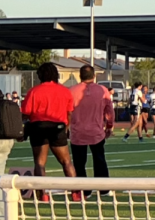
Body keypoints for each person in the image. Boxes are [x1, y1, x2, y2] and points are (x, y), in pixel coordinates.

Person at [20, 63, 79, 201]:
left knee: (40, 163)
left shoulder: (34, 91)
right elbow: (69, 113)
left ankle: (43, 194)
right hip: (58, 127)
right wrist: (66, 127)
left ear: (40, 75)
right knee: (66, 161)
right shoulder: (64, 91)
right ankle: (75, 193)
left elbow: (26, 112)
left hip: (38, 127)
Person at [68, 65, 115, 197]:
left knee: (79, 163)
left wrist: (67, 127)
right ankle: (103, 189)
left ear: (80, 76)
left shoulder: (71, 91)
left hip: (77, 132)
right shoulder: (103, 90)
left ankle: (84, 190)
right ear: (94, 76)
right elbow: (109, 111)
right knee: (99, 159)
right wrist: (110, 126)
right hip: (96, 131)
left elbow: (67, 112)